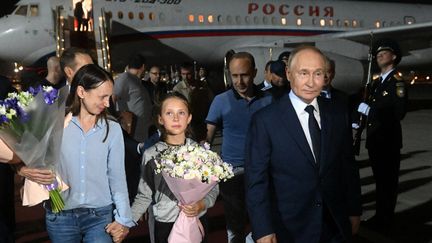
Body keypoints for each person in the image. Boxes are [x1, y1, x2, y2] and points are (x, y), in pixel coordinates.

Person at [245, 46, 361, 243]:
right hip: (289, 228)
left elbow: (347, 166)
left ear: (326, 77)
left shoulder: (337, 113)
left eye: (317, 74)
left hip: (334, 225)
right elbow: (256, 180)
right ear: (289, 74)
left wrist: (354, 209)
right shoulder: (265, 120)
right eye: (303, 73)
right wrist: (263, 228)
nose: (310, 82)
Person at [45, 64, 134, 243]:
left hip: (100, 216)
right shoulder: (57, 125)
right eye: (102, 97)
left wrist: (124, 219)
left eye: (109, 97)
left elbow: (117, 177)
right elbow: (39, 162)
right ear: (81, 92)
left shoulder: (113, 129)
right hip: (60, 216)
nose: (107, 103)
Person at [131, 92, 219, 243]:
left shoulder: (200, 152)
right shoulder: (151, 154)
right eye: (169, 113)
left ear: (189, 118)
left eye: (181, 113)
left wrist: (201, 204)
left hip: (196, 218)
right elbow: (144, 194)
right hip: (166, 222)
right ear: (160, 119)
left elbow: (213, 188)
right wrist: (125, 222)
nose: (176, 118)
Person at [205, 52, 272, 243]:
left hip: (262, 171)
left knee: (263, 222)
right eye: (235, 76)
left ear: (255, 73)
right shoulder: (221, 101)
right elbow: (208, 135)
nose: (239, 81)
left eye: (244, 75)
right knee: (235, 225)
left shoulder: (268, 101)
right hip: (232, 173)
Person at [356, 39, 407, 229]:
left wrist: (371, 112)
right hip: (375, 139)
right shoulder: (377, 83)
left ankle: (386, 220)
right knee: (380, 182)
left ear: (394, 57)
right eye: (377, 54)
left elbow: (399, 112)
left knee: (388, 183)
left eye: (384, 53)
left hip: (388, 141)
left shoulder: (397, 82)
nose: (379, 56)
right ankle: (380, 216)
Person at [113, 54, 152, 142]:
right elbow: (113, 97)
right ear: (143, 67)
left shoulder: (136, 80)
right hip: (133, 131)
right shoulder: (125, 78)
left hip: (142, 129)